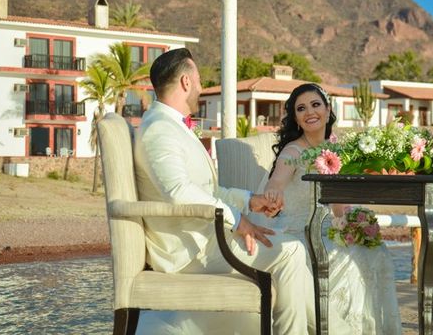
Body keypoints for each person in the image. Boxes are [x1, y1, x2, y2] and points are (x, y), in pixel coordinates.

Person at [133, 48, 316, 335]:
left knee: (289, 245)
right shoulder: (160, 129)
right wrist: (237, 219)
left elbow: (209, 190)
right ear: (185, 82)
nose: (201, 88)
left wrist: (249, 202)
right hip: (190, 250)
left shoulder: (169, 126)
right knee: (291, 251)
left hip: (205, 238)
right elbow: (178, 192)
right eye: (199, 80)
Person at [262, 83, 402, 335]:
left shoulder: (339, 149)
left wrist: (355, 223)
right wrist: (273, 192)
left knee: (375, 250)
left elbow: (339, 207)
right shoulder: (293, 151)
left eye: (315, 105)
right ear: (296, 118)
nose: (309, 112)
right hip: (299, 233)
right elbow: (277, 181)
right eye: (301, 108)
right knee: (350, 258)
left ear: (328, 110)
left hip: (329, 229)